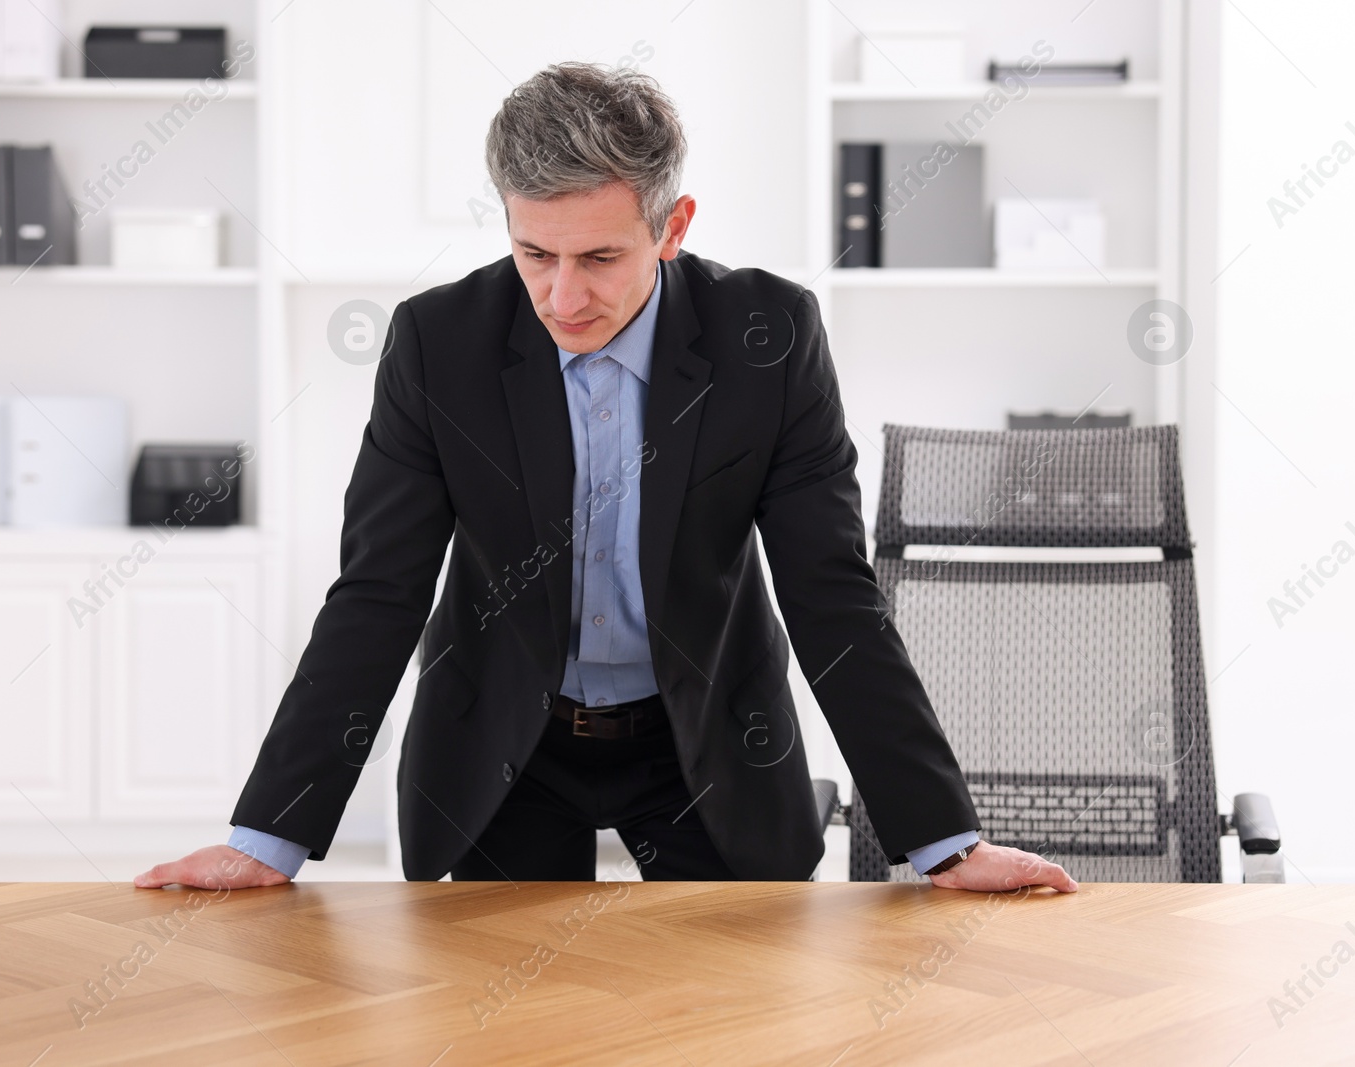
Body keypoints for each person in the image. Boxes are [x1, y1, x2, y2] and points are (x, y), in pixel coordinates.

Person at [136, 62, 1075, 895]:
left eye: (598, 257)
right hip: (506, 746)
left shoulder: (769, 337)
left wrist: (944, 842)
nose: (562, 296)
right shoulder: (439, 343)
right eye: (534, 253)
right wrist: (269, 836)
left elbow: (831, 594)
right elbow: (378, 592)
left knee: (733, 1023)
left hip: (703, 739)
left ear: (673, 227)